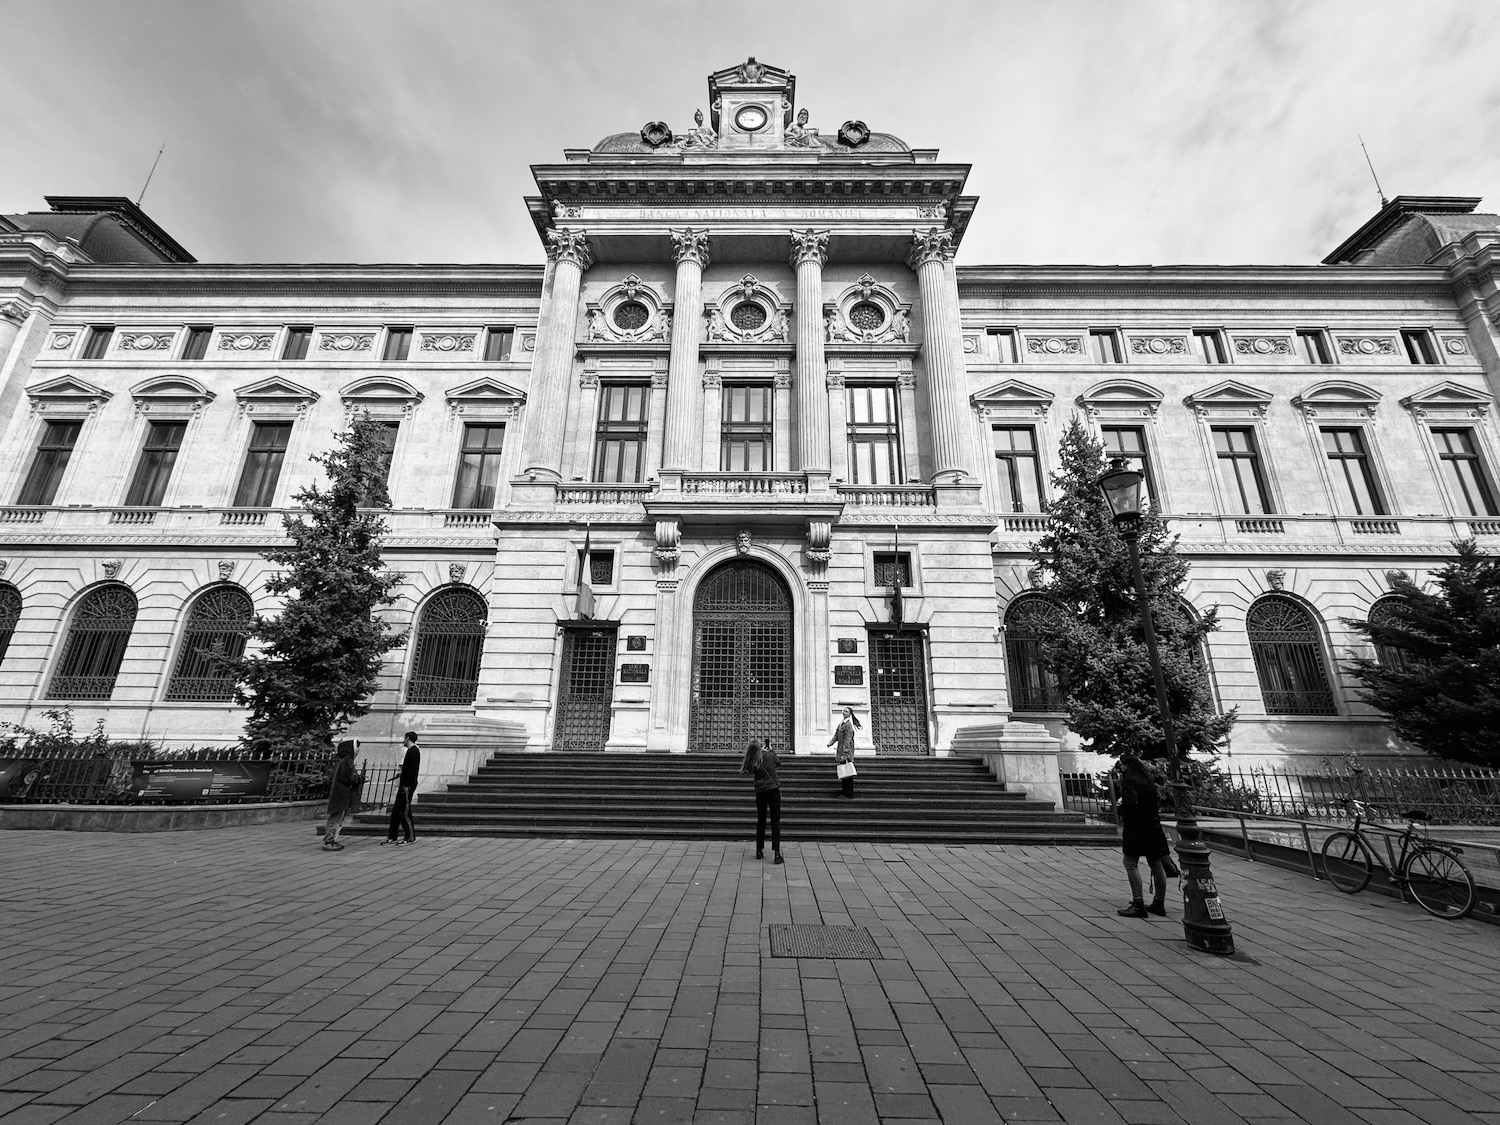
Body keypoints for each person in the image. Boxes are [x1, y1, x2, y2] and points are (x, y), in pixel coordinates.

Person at [1116, 753, 1171, 918]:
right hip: (1153, 826)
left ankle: (1138, 903)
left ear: (1127, 766)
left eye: (1121, 765)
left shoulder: (1130, 781)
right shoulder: (1148, 781)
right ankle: (1159, 903)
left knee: (1130, 862)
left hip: (1136, 827)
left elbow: (1131, 803)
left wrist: (1121, 809)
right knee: (1156, 863)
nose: (1120, 768)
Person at [740, 739, 783, 864]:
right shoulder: (770, 755)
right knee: (775, 822)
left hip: (760, 792)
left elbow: (749, 769)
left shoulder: (752, 760)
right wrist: (771, 750)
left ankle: (759, 851)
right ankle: (777, 854)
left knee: (761, 821)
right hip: (773, 791)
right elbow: (778, 763)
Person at [384, 731, 420, 846]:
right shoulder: (411, 751)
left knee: (404, 811)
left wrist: (406, 785)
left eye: (404, 738)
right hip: (404, 785)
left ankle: (410, 836)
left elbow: (412, 771)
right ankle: (392, 836)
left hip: (407, 786)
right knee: (396, 811)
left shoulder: (413, 751)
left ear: (408, 738)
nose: (402, 740)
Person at [323, 739, 360, 851]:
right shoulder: (347, 761)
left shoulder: (346, 760)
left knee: (338, 819)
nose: (358, 750)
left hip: (342, 794)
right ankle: (329, 841)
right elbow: (347, 777)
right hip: (340, 794)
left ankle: (332, 839)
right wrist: (360, 779)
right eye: (357, 747)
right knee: (336, 818)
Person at [828, 707, 860, 798]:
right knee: (845, 773)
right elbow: (836, 735)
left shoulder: (848, 725)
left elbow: (848, 740)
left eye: (846, 711)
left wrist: (845, 754)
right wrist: (830, 743)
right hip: (842, 752)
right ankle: (845, 792)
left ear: (850, 714)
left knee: (848, 774)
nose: (844, 712)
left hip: (846, 753)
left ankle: (848, 793)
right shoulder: (842, 723)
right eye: (843, 711)